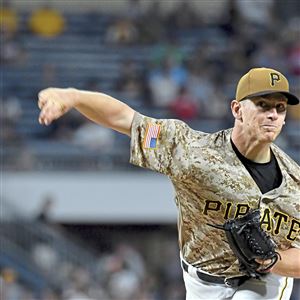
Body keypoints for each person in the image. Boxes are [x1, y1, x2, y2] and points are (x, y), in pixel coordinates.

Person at [37, 67, 300, 300]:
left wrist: (273, 261)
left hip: (263, 280)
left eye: (279, 108)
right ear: (237, 109)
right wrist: (74, 96)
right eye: (263, 104)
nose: (273, 115)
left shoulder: (295, 183)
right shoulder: (191, 151)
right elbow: (126, 120)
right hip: (202, 281)